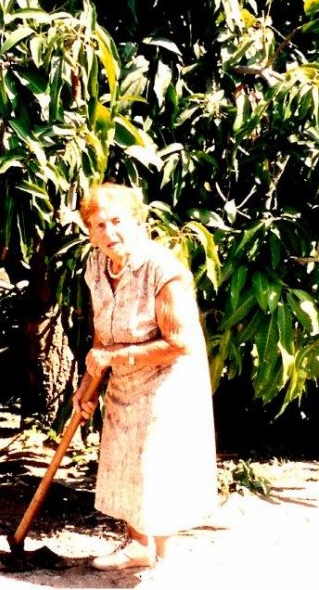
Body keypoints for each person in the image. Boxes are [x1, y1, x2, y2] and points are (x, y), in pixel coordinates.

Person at [72, 182, 217, 571]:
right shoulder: (96, 266)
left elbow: (180, 342)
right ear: (90, 233)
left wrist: (114, 357)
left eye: (117, 221)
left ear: (137, 222)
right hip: (125, 373)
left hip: (169, 375)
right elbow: (104, 329)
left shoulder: (162, 269)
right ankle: (138, 545)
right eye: (99, 225)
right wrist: (88, 387)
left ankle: (162, 558)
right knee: (125, 457)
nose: (110, 232)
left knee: (155, 459)